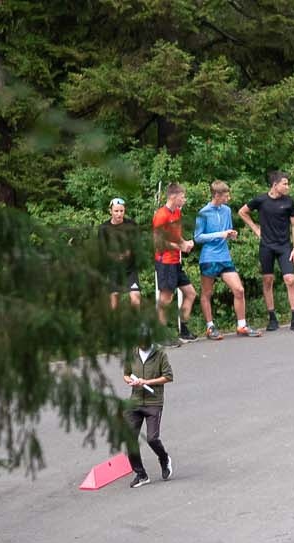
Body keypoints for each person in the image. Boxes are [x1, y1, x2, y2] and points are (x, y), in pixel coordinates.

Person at [237, 171, 294, 333]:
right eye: (285, 184)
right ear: (275, 185)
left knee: (290, 279)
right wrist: (255, 228)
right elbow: (242, 212)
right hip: (266, 246)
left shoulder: (289, 202)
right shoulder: (261, 200)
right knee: (268, 281)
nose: (288, 187)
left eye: (288, 184)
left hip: (284, 247)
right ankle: (272, 318)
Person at [192, 180, 254, 340]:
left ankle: (242, 325)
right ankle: (210, 327)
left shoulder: (226, 210)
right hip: (209, 257)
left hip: (224, 256)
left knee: (239, 290)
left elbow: (227, 230)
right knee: (207, 293)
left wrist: (231, 234)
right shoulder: (203, 212)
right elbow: (198, 237)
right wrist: (220, 234)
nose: (228, 198)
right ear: (217, 195)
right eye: (226, 195)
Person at [120, 340, 173, 486]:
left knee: (152, 439)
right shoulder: (132, 353)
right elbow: (126, 374)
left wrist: (147, 382)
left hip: (153, 403)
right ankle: (141, 474)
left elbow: (168, 376)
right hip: (135, 401)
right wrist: (131, 380)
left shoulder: (160, 354)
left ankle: (164, 459)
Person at [150, 183, 193, 344]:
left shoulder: (177, 212)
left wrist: (184, 243)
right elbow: (158, 243)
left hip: (176, 261)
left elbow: (176, 236)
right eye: (182, 196)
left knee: (190, 293)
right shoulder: (161, 215)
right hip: (165, 262)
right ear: (173, 197)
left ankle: (184, 330)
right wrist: (180, 246)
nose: (184, 199)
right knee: (166, 298)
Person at [97, 198, 142, 313]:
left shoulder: (131, 225)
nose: (119, 214)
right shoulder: (103, 228)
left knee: (136, 298)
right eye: (116, 211)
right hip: (114, 270)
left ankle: (136, 327)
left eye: (121, 211)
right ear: (110, 211)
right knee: (114, 302)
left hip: (130, 269)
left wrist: (129, 252)